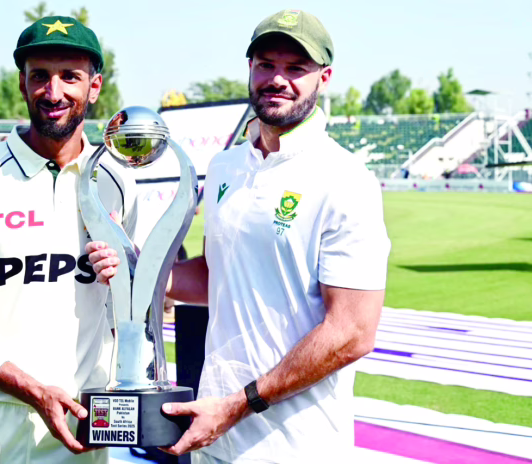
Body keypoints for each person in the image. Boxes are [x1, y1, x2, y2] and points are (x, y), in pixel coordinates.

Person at [88, 9, 390, 463]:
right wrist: (140, 268)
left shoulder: (346, 179)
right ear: (250, 68)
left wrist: (239, 404)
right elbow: (220, 276)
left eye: (296, 68)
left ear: (324, 78)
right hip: (214, 434)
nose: (277, 79)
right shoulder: (226, 167)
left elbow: (352, 331)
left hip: (295, 447)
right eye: (266, 64)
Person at [0, 16, 137, 464]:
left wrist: (129, 279)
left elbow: (126, 313)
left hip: (78, 428)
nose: (53, 92)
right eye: (40, 76)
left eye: (70, 76)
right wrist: (32, 389)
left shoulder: (118, 182)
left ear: (94, 86)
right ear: (22, 83)